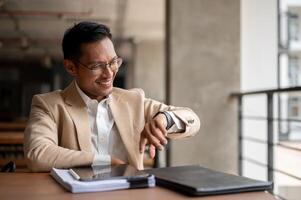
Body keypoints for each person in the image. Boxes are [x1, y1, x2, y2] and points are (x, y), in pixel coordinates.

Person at [24, 21, 200, 172]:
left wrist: (165, 119)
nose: (109, 73)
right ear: (71, 68)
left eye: (113, 62)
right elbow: (37, 154)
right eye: (97, 66)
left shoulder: (134, 101)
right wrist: (105, 161)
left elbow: (193, 120)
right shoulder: (48, 105)